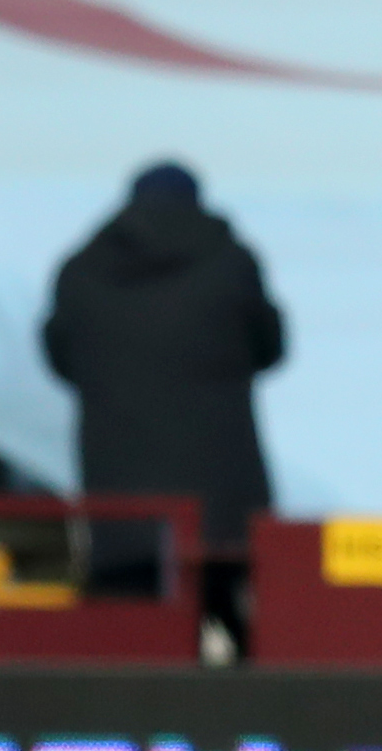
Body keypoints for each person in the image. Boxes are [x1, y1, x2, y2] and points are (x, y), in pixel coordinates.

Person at [42, 161, 284, 661]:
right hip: (223, 513)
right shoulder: (231, 262)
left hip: (122, 514)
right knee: (245, 643)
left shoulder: (81, 270)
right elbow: (271, 344)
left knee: (122, 656)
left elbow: (61, 355)